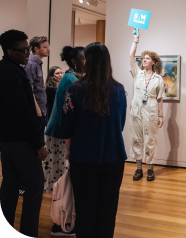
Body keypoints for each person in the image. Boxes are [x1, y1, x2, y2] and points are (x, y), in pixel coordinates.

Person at [61, 42, 127, 238]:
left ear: (86, 61)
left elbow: (67, 128)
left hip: (83, 157)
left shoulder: (74, 90)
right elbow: (120, 125)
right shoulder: (119, 90)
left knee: (84, 210)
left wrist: (69, 151)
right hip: (113, 156)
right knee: (108, 211)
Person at [0, 29, 47, 238]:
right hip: (19, 140)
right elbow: (22, 113)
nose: (27, 53)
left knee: (10, 184)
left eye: (28, 48)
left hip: (8, 139)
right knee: (35, 184)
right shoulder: (11, 72)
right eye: (23, 50)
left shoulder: (8, 69)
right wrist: (38, 143)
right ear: (10, 51)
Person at [44, 46, 85, 236]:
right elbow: (66, 112)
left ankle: (64, 220)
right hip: (61, 135)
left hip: (61, 134)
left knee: (65, 181)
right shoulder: (71, 79)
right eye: (85, 58)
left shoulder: (71, 77)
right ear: (76, 61)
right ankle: (61, 223)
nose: (88, 61)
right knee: (63, 182)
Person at [129, 29, 164, 181]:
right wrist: (135, 40)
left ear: (153, 62)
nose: (144, 60)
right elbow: (130, 56)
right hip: (136, 111)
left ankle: (150, 168)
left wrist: (161, 115)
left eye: (147, 58)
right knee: (136, 139)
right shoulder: (137, 73)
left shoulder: (158, 79)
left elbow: (160, 98)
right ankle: (138, 169)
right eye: (143, 58)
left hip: (151, 111)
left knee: (150, 140)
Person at [24, 36, 50, 147]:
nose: (48, 49)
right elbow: (29, 89)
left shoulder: (37, 64)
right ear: (36, 49)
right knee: (36, 145)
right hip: (36, 111)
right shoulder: (31, 64)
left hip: (41, 110)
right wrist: (37, 110)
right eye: (45, 47)